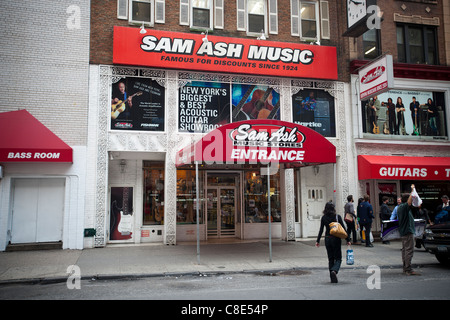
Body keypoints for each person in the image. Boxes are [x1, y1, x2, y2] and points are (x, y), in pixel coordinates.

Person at [316, 202, 351, 283]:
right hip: (336, 239)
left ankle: (332, 278)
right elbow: (343, 228)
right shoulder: (337, 217)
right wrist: (348, 240)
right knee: (338, 258)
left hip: (327, 239)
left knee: (330, 258)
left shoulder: (324, 217)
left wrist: (317, 241)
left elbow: (321, 230)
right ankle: (334, 271)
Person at [397, 185, 420, 275]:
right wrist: (412, 190)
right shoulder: (404, 207)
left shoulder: (402, 207)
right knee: (409, 250)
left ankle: (405, 267)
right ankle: (408, 269)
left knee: (405, 250)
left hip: (405, 231)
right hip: (407, 231)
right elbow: (409, 202)